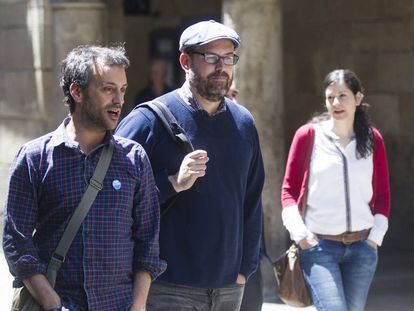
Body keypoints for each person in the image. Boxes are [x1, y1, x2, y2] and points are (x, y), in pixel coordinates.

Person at [2, 45, 166, 311]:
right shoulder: (35, 158)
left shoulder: (134, 158)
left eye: (122, 90)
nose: (119, 100)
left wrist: (137, 306)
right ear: (77, 92)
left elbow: (148, 242)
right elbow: (16, 242)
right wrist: (53, 304)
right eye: (108, 89)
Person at [116, 20, 265, 311]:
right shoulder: (147, 121)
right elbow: (113, 196)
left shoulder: (244, 122)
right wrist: (171, 183)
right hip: (166, 286)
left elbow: (252, 199)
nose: (221, 66)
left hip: (228, 288)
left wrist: (244, 269)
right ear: (185, 61)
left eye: (228, 58)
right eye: (211, 57)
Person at [281, 69, 390, 311]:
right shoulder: (308, 135)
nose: (336, 103)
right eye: (330, 97)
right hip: (319, 247)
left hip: (362, 247)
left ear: (358, 98)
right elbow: (288, 190)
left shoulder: (373, 140)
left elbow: (383, 195)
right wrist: (301, 235)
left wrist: (375, 238)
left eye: (343, 96)